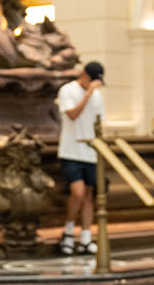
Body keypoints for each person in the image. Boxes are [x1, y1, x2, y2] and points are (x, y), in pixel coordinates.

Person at [56, 60, 106, 255]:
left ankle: (86, 237)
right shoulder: (67, 90)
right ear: (84, 75)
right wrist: (87, 94)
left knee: (88, 195)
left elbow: (99, 123)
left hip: (91, 152)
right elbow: (72, 115)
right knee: (77, 192)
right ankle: (68, 231)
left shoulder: (98, 96)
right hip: (71, 150)